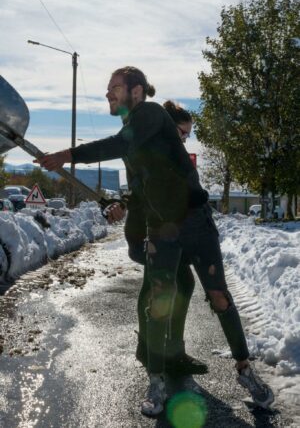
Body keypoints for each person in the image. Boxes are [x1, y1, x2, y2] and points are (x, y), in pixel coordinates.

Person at [36, 66, 274, 416]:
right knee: (159, 301)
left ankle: (245, 371)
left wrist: (67, 155)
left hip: (195, 221)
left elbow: (120, 144)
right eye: (107, 88)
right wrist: (120, 204)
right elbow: (141, 188)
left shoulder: (149, 113)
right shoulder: (134, 135)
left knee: (219, 295)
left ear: (136, 91)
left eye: (114, 87)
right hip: (161, 229)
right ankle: (157, 380)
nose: (108, 94)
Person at [125, 100, 207, 377]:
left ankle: (162, 350)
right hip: (147, 227)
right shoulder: (148, 148)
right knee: (164, 284)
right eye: (182, 133)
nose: (184, 139)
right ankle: (158, 351)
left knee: (173, 283)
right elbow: (142, 190)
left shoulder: (166, 150)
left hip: (166, 229)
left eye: (187, 135)